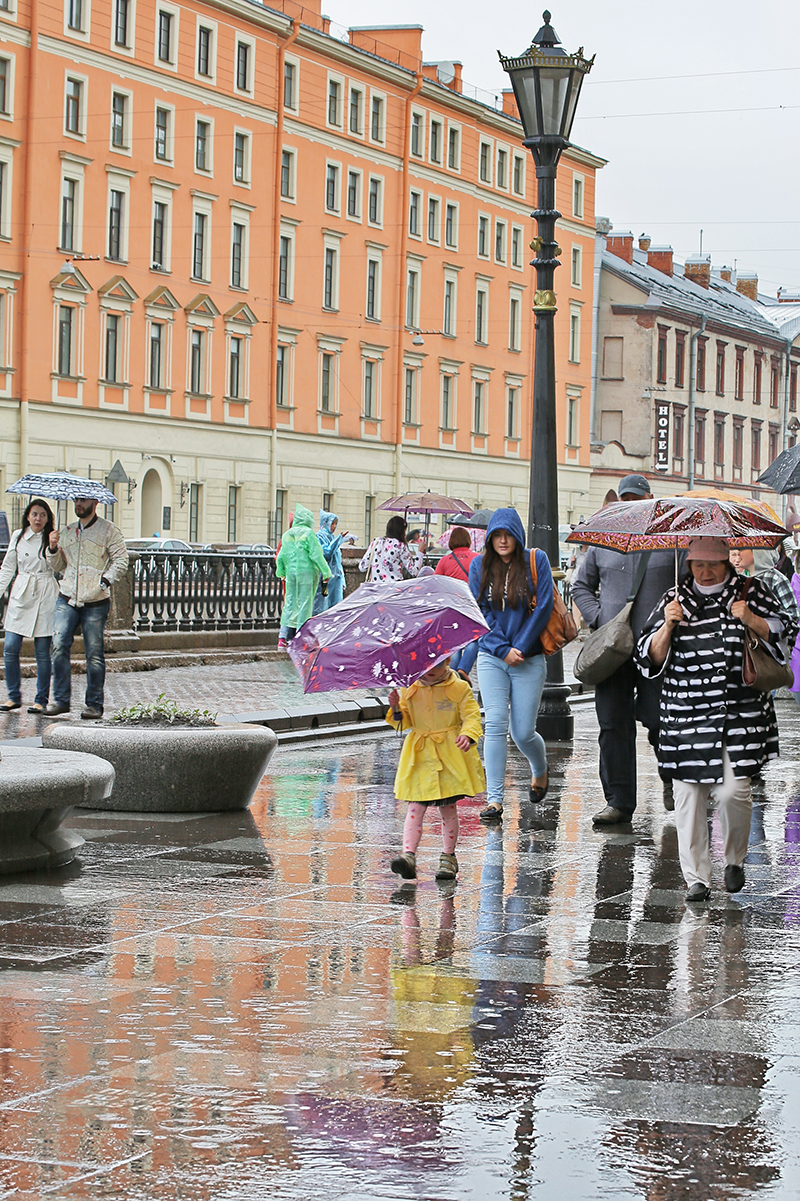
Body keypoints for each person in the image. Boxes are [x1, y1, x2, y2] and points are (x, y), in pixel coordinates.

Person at [637, 538, 790, 902]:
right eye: (698, 564)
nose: (705, 572)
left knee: (735, 791)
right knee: (688, 795)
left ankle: (734, 859)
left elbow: (785, 634)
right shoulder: (673, 599)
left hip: (739, 713)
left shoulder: (753, 591)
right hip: (686, 713)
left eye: (713, 565)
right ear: (688, 564)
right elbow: (647, 658)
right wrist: (667, 627)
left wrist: (751, 619)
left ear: (727, 564)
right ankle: (696, 878)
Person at [571, 474, 679, 825]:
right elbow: (581, 587)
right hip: (613, 651)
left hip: (658, 650)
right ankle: (618, 801)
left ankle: (669, 774)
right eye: (626, 498)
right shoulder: (604, 542)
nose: (632, 503)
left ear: (650, 498)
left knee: (660, 720)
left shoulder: (672, 542)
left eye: (638, 497)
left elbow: (688, 586)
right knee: (613, 725)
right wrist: (601, 619)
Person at [467, 507, 554, 823]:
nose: (502, 541)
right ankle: (494, 800)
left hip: (528, 659)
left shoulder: (536, 561)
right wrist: (503, 649)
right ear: (489, 539)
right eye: (496, 536)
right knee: (495, 724)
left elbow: (543, 606)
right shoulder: (479, 566)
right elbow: (479, 613)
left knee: (523, 732)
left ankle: (540, 768)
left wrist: (519, 646)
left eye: (507, 535)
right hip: (492, 657)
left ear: (517, 536)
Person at [386, 656, 485, 883]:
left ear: (447, 662)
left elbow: (471, 716)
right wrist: (395, 707)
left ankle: (448, 857)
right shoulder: (410, 687)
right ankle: (408, 856)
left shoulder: (458, 686)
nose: (430, 670)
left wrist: (467, 735)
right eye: (425, 665)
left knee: (448, 808)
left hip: (449, 756)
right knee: (415, 806)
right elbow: (405, 722)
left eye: (437, 664)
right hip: (420, 757)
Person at [45, 496, 129, 719]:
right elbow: (60, 565)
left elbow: (121, 560)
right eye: (76, 500)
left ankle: (94, 704)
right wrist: (52, 548)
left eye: (83, 500)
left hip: (95, 601)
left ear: (95, 503)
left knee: (93, 653)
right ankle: (61, 700)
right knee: (59, 643)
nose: (78, 504)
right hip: (68, 596)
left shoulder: (108, 530)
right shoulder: (68, 531)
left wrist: (105, 580)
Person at [0, 499, 58, 713]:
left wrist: (52, 548)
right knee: (10, 646)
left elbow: (58, 566)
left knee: (42, 651)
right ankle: (13, 696)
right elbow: (8, 568)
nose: (38, 519)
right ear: (28, 516)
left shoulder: (52, 537)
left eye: (43, 515)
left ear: (47, 518)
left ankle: (40, 699)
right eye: (34, 514)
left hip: (45, 592)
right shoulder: (18, 536)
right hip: (22, 592)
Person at [275, 504, 331, 647]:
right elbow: (316, 554)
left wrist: (281, 572)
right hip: (307, 573)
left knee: (290, 603)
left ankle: (282, 638)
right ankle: (300, 637)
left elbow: (281, 556)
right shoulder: (308, 534)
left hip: (291, 573)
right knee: (305, 604)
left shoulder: (287, 534)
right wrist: (326, 572)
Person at [436, 527, 480, 679]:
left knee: (454, 643)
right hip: (472, 606)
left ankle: (452, 674)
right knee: (473, 639)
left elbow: (436, 585)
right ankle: (463, 671)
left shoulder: (444, 561)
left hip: (452, 607)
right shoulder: (477, 558)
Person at [313, 509, 355, 614]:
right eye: (332, 523)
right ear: (325, 523)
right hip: (325, 579)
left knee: (336, 609)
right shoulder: (319, 536)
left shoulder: (331, 537)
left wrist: (342, 579)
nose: (334, 526)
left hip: (335, 579)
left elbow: (338, 561)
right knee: (322, 609)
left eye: (336, 524)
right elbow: (326, 553)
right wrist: (338, 539)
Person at [359, 516, 424, 583]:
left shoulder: (376, 542)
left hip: (376, 589)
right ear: (401, 531)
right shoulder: (400, 546)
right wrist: (420, 552)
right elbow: (414, 571)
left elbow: (362, 567)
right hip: (394, 589)